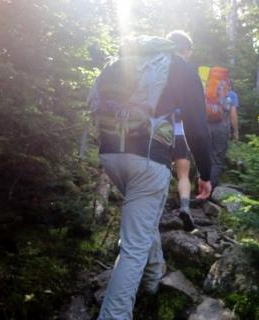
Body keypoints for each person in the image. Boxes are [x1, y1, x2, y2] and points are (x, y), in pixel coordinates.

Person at [89, 30, 212, 320]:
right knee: (133, 247)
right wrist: (205, 173)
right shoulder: (180, 67)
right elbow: (197, 126)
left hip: (110, 155)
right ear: (186, 50)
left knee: (143, 221)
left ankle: (155, 276)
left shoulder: (127, 61)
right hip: (148, 159)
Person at [209, 82, 239, 188]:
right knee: (217, 158)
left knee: (203, 156)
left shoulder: (208, 93)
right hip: (221, 128)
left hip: (205, 126)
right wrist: (235, 131)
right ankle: (210, 188)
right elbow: (233, 114)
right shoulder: (231, 94)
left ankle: (198, 186)